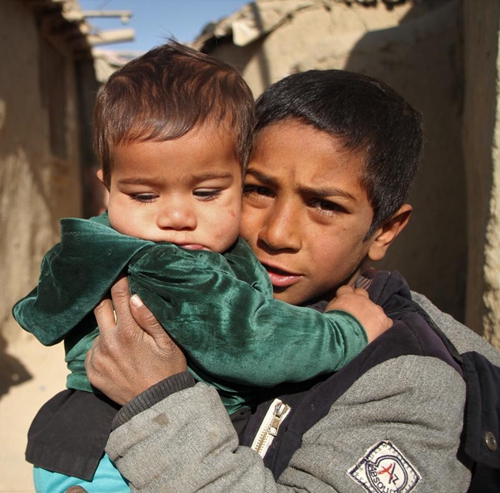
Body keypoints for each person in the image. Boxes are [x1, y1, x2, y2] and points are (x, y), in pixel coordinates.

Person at [85, 69, 500, 493]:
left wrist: (157, 402)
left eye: (324, 205)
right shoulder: (203, 289)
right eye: (258, 190)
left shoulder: (408, 379)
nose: (277, 234)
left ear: (384, 231)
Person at [13, 42, 391, 493]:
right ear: (107, 190)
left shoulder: (92, 246)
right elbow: (253, 340)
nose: (177, 217)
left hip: (81, 440)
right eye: (145, 196)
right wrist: (346, 330)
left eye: (207, 193)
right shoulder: (169, 264)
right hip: (116, 456)